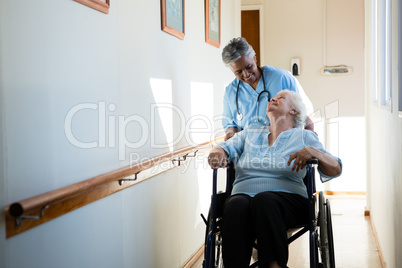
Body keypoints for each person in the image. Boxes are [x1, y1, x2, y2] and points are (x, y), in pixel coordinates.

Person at [208, 90, 342, 268]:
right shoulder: (250, 133)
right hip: (243, 196)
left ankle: (273, 266)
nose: (273, 99)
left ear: (294, 110)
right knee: (235, 204)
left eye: (280, 98)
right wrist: (217, 153)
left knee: (264, 200)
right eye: (273, 98)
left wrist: (313, 152)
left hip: (288, 202)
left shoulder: (304, 136)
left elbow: (335, 168)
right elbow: (224, 147)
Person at [221, 37, 314, 141]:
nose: (246, 74)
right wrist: (231, 134)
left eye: (249, 67)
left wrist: (309, 144)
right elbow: (230, 125)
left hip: (285, 145)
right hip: (250, 150)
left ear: (254, 58)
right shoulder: (231, 92)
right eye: (238, 72)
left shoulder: (282, 78)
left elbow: (306, 115)